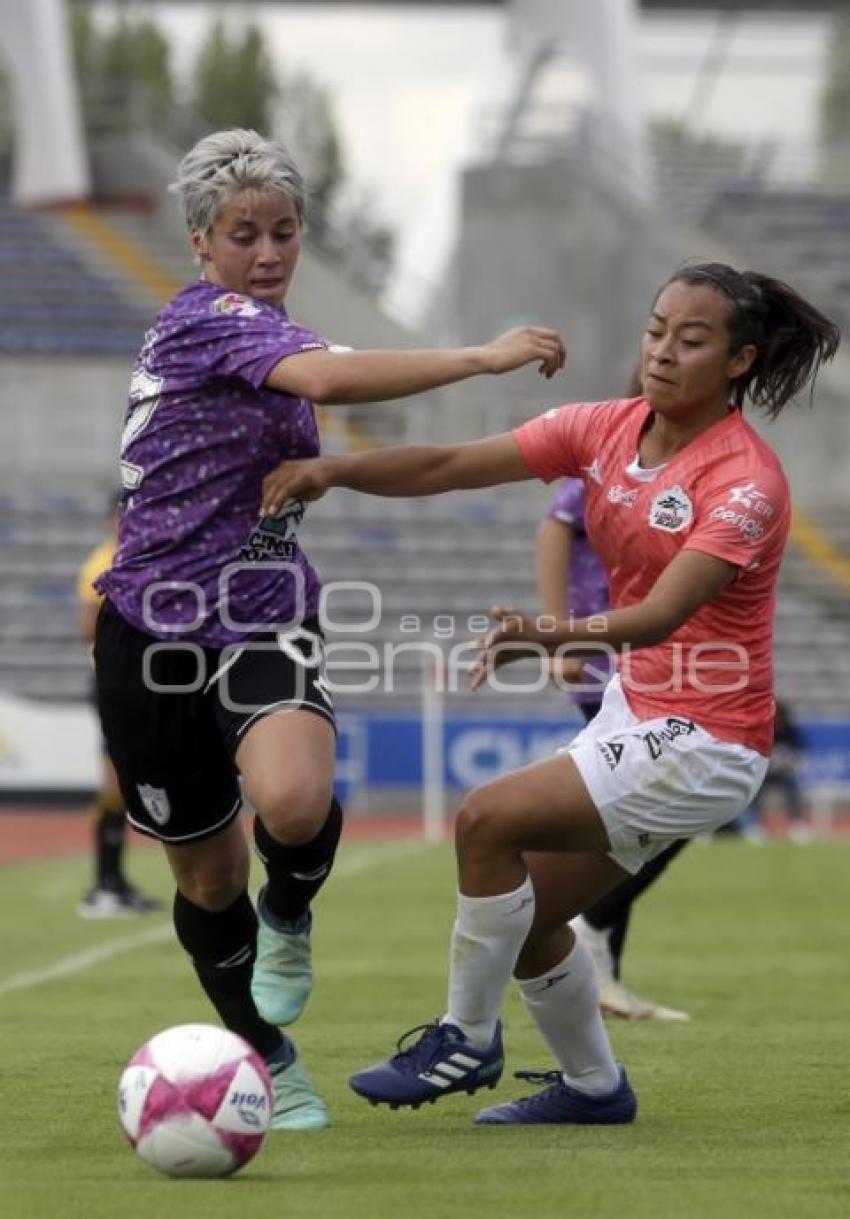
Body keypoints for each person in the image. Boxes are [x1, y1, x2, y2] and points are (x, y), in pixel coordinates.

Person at [259, 261, 838, 1125]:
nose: (664, 352)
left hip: (706, 734)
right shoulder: (604, 427)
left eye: (693, 339)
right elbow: (454, 463)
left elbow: (661, 613)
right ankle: (596, 1089)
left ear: (741, 361)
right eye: (655, 330)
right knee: (527, 916)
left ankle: (465, 1035)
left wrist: (549, 632)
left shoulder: (745, 483)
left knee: (488, 820)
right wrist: (335, 470)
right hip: (643, 713)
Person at [92, 128, 565, 1133]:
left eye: (284, 231)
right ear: (200, 243)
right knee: (205, 873)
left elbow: (340, 392)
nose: (267, 254)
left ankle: (290, 912)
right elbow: (332, 383)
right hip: (151, 631)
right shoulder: (205, 320)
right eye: (243, 234)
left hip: (264, 615)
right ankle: (268, 1058)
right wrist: (482, 354)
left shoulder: (274, 335)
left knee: (295, 803)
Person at [537, 478, 689, 1021]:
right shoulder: (620, 460)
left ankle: (601, 978)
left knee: (638, 814)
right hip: (612, 661)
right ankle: (590, 932)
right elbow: (555, 527)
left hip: (656, 661)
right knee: (670, 804)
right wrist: (559, 635)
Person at [76, 494, 162, 918]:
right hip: (114, 682)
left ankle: (114, 882)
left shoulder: (138, 557)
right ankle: (104, 884)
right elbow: (87, 625)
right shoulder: (106, 561)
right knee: (114, 782)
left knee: (123, 782)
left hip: (136, 679)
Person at [748, 699, 811, 842]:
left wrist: (787, 762)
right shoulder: (761, 731)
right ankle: (755, 825)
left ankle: (796, 824)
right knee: (753, 790)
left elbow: (800, 754)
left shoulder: (791, 732)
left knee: (792, 787)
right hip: (763, 773)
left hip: (783, 773)